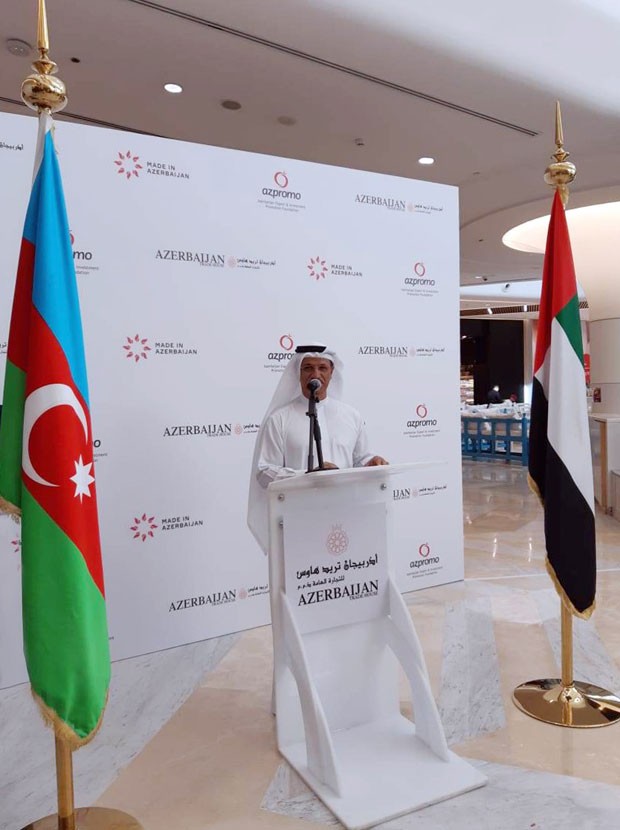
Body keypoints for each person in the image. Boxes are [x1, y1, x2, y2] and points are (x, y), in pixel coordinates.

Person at [247, 344, 388, 552]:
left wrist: (371, 462)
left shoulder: (351, 416)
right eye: (308, 368)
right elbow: (264, 471)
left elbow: (360, 459)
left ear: (332, 372)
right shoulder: (279, 419)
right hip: (299, 520)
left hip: (347, 515)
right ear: (298, 373)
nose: (315, 374)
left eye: (322, 368)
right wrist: (307, 476)